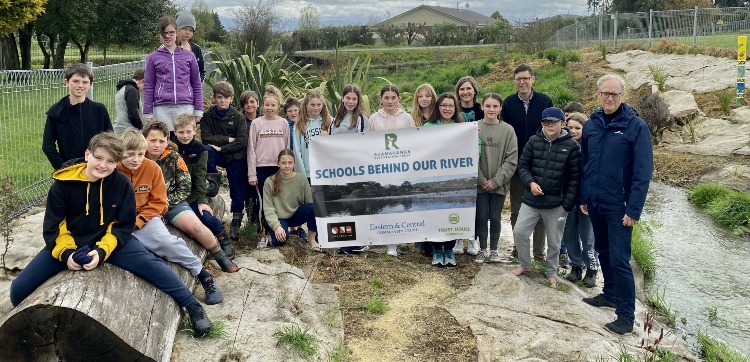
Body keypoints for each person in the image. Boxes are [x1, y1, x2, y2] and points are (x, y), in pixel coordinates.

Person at [10, 132, 213, 336]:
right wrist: (67, 254)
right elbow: (54, 226)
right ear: (87, 154)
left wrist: (101, 251)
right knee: (18, 290)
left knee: (152, 265)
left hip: (111, 241)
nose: (103, 165)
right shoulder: (63, 183)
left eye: (110, 161)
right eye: (98, 158)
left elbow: (122, 224)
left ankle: (193, 306)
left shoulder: (121, 184)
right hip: (70, 242)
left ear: (117, 163)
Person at [580, 74, 653, 335]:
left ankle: (625, 316)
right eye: (605, 93)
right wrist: (584, 196)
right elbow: (585, 163)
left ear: (622, 96)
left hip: (619, 205)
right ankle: (609, 293)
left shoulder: (636, 126)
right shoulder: (591, 125)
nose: (609, 98)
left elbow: (643, 173)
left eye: (615, 94)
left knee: (621, 259)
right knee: (602, 250)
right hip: (596, 201)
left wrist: (633, 209)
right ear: (598, 95)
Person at [116, 129, 223, 305]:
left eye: (141, 154)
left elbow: (159, 202)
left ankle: (203, 276)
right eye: (130, 154)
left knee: (167, 243)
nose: (135, 159)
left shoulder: (152, 168)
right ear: (121, 153)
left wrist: (140, 220)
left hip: (145, 217)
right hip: (119, 222)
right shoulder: (114, 171)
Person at [143, 121, 239, 273]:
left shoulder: (174, 158)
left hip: (172, 203)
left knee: (196, 226)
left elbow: (184, 187)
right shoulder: (137, 159)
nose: (157, 145)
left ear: (167, 141)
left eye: (161, 141)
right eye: (152, 140)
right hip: (146, 207)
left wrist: (164, 204)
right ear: (144, 140)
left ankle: (219, 253)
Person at [510, 107, 580, 289]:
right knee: (519, 232)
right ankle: (525, 264)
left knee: (554, 242)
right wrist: (531, 183)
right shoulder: (533, 141)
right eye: (546, 122)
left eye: (554, 122)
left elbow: (575, 179)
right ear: (541, 124)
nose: (550, 125)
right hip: (531, 201)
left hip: (557, 204)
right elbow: (523, 166)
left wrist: (566, 205)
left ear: (562, 123)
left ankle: (551, 272)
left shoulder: (572, 146)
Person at [502, 64, 554, 262]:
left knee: (540, 208)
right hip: (516, 164)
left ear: (533, 79)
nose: (522, 82)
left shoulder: (545, 101)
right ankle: (518, 245)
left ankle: (539, 252)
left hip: (541, 163)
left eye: (525, 78)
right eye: (518, 79)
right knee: (517, 208)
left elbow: (552, 129)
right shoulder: (507, 104)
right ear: (514, 81)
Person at [173, 114, 236, 260]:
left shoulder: (200, 150)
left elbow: (201, 177)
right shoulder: (170, 148)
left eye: (188, 132)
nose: (185, 135)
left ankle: (223, 240)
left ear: (195, 131)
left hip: (192, 194)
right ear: (175, 132)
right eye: (181, 132)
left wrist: (201, 200)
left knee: (205, 216)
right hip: (173, 195)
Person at [368, 84, 416, 256]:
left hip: (401, 167)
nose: (389, 101)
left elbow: (413, 141)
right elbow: (367, 143)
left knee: (399, 199)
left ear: (398, 99)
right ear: (381, 99)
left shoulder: (407, 118)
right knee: (385, 199)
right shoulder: (373, 118)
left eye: (393, 97)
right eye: (386, 97)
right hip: (381, 168)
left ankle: (401, 237)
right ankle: (389, 243)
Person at [201, 82, 248, 241]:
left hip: (235, 156)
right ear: (214, 98)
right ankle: (213, 182)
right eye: (219, 97)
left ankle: (236, 220)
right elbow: (206, 138)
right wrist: (227, 139)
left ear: (231, 98)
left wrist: (223, 147)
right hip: (217, 154)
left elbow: (242, 141)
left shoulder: (238, 117)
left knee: (237, 187)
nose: (222, 101)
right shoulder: (208, 116)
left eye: (226, 98)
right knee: (206, 149)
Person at [423, 92, 466, 267]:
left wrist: (472, 136)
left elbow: (475, 149)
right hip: (433, 179)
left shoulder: (462, 127)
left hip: (454, 179)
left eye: (450, 106)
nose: (447, 109)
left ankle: (448, 249)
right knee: (435, 214)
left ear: (455, 108)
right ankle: (436, 250)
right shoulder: (428, 126)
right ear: (437, 108)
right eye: (443, 106)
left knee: (451, 213)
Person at [42, 63, 112, 170]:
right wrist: (62, 168)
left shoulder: (99, 110)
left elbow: (110, 138)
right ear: (66, 82)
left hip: (97, 167)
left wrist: (102, 162)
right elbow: (47, 146)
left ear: (91, 84)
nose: (80, 85)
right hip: (69, 168)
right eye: (76, 81)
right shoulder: (56, 112)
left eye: (85, 82)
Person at [475, 93, 518, 264]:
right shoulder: (474, 127)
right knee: (481, 216)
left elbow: (511, 159)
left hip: (499, 185)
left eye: (495, 106)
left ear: (500, 108)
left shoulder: (508, 130)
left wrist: (495, 181)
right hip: (479, 184)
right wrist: (481, 179)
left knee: (495, 216)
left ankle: (494, 250)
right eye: (488, 106)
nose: (491, 109)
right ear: (482, 107)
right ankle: (482, 249)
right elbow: (468, 157)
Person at [248, 84, 291, 248]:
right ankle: (262, 233)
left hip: (279, 167)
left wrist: (288, 168)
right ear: (262, 106)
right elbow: (251, 150)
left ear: (278, 106)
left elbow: (287, 148)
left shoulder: (283, 124)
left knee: (278, 200)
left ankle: (278, 230)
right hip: (261, 167)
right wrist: (252, 174)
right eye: (267, 105)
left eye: (273, 105)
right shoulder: (256, 124)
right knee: (262, 203)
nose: (270, 108)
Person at [143, 16, 203, 131]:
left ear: (176, 32)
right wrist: (148, 111)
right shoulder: (153, 57)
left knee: (184, 141)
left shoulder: (189, 56)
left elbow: (196, 83)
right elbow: (149, 86)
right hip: (161, 109)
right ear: (159, 35)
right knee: (165, 144)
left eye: (171, 32)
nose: (167, 36)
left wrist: (198, 109)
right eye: (164, 33)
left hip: (185, 107)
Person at [561, 112, 599, 287]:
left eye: (578, 128)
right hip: (567, 199)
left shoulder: (592, 149)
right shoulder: (563, 146)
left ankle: (591, 269)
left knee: (587, 236)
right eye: (570, 127)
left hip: (587, 201)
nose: (574, 131)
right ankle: (575, 266)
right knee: (569, 235)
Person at [263, 149, 319, 251]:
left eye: (290, 162)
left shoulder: (301, 179)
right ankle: (271, 234)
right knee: (280, 241)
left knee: (314, 207)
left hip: (295, 215)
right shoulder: (269, 181)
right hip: (279, 218)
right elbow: (268, 208)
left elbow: (309, 202)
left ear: (294, 163)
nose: (287, 166)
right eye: (283, 163)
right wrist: (276, 226)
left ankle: (312, 239)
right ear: (278, 163)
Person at [293, 90, 331, 180]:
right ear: (306, 105)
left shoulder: (330, 122)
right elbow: (297, 151)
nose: (316, 108)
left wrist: (329, 137)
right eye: (312, 105)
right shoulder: (299, 124)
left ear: (323, 105)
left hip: (326, 172)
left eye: (319, 105)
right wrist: (302, 174)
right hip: (307, 173)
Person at [239, 90, 262, 230]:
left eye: (252, 101)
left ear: (258, 103)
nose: (249, 105)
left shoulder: (264, 118)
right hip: (244, 160)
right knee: (249, 192)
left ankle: (264, 220)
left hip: (263, 160)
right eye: (246, 102)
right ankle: (252, 222)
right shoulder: (239, 120)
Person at [113, 69, 145, 135]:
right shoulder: (132, 90)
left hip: (121, 129)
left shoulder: (124, 88)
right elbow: (133, 113)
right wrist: (141, 127)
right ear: (143, 81)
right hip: (128, 131)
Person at [176, 10, 205, 81]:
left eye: (191, 30)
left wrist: (197, 83)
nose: (187, 32)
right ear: (177, 29)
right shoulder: (169, 48)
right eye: (185, 29)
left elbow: (201, 70)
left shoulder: (196, 49)